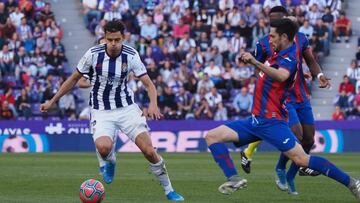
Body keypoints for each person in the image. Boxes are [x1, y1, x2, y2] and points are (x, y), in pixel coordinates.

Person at [204, 18, 360, 201]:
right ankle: (234, 178)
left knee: (302, 159)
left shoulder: (290, 58)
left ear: (284, 37)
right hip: (255, 120)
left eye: (272, 36)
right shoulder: (277, 56)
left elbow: (281, 75)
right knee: (212, 136)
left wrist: (255, 62)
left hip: (271, 121)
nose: (269, 40)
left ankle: (352, 183)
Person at [40, 19, 184, 201]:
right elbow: (74, 79)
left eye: (117, 39)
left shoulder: (131, 55)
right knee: (103, 147)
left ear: (123, 38)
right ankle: (111, 160)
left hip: (126, 108)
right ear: (105, 38)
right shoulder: (93, 54)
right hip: (101, 111)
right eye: (110, 40)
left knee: (149, 151)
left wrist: (153, 103)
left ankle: (169, 190)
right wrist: (53, 100)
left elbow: (148, 83)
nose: (114, 44)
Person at [240, 6, 331, 194]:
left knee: (308, 140)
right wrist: (278, 74)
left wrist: (319, 74)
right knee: (296, 136)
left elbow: (310, 60)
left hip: (301, 94)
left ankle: (289, 175)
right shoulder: (263, 44)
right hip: (283, 96)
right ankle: (280, 168)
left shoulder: (301, 39)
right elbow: (257, 68)